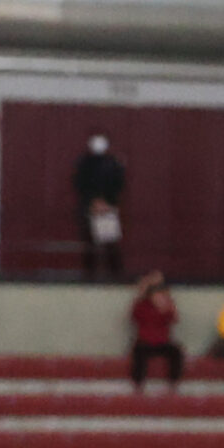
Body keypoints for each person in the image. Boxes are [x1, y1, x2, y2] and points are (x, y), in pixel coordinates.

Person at [74, 133, 126, 280]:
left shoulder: (112, 163)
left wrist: (106, 203)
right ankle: (88, 277)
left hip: (106, 210)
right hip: (89, 209)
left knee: (110, 244)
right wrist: (92, 201)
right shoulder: (83, 163)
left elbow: (118, 184)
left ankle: (116, 277)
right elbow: (79, 184)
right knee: (89, 245)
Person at [129, 272, 182, 392]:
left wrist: (167, 306)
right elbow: (133, 317)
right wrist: (144, 286)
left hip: (162, 342)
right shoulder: (142, 306)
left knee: (176, 351)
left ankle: (173, 384)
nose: (158, 297)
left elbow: (175, 319)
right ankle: (138, 385)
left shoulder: (167, 306)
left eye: (161, 295)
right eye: (156, 295)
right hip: (145, 342)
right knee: (138, 353)